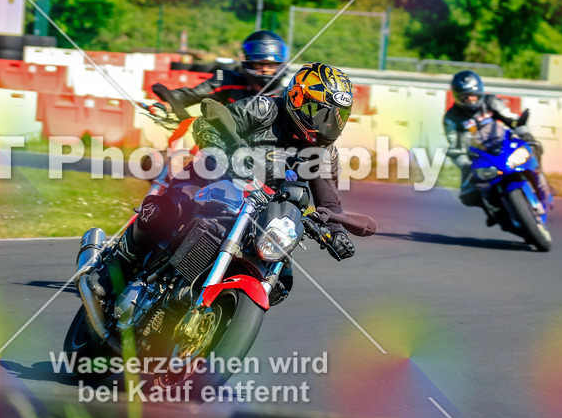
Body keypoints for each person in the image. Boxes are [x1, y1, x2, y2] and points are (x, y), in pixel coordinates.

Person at [95, 62, 367, 308]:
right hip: (216, 179)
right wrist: (216, 144)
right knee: (167, 210)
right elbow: (211, 121)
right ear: (297, 98)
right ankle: (117, 263)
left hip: (263, 213)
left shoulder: (323, 152)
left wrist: (336, 231)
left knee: (280, 283)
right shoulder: (264, 110)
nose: (328, 124)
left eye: (336, 118)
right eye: (321, 114)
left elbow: (329, 201)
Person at [443, 70, 548, 222]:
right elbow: (453, 141)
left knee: (534, 145)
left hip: (503, 144)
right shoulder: (451, 117)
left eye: (473, 95)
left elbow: (510, 118)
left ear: (480, 92)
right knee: (468, 193)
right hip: (477, 157)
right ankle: (492, 210)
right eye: (464, 97)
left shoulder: (490, 101)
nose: (470, 100)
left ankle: (540, 179)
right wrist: (463, 160)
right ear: (457, 96)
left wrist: (521, 128)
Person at [150, 30, 290, 120]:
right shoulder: (227, 82)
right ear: (249, 63)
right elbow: (189, 95)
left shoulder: (289, 96)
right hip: (228, 151)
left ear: (280, 65)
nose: (265, 69)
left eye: (271, 65)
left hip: (274, 154)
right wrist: (166, 104)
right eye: (260, 64)